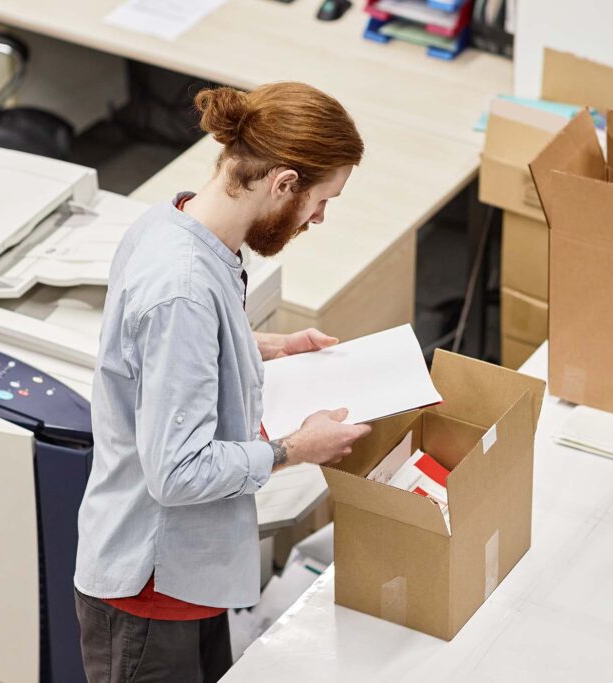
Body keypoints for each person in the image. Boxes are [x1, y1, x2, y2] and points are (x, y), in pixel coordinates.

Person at [73, 81, 372, 683]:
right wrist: (295, 451)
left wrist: (267, 348)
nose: (319, 218)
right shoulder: (180, 287)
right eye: (321, 200)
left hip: (187, 576)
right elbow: (178, 473)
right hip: (149, 593)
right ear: (283, 182)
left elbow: (168, 353)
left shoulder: (175, 223)